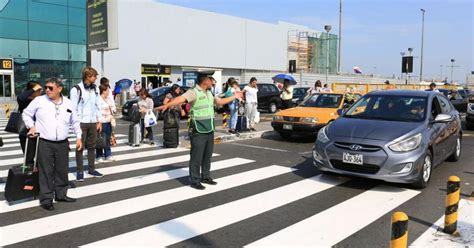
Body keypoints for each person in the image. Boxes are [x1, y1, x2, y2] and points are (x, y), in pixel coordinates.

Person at [156, 76, 243, 190]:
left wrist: (234, 96)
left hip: (209, 127)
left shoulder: (209, 92)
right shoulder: (193, 92)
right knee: (197, 156)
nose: (212, 82)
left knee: (207, 155)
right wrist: (167, 105)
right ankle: (195, 180)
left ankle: (206, 176)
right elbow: (181, 99)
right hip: (198, 128)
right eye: (210, 80)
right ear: (205, 82)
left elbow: (220, 101)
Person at [22, 77, 82, 211]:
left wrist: (79, 137)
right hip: (45, 142)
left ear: (59, 89)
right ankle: (46, 199)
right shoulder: (39, 101)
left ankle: (61, 194)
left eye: (51, 88)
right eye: (46, 87)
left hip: (62, 142)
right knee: (46, 171)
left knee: (62, 170)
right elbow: (26, 114)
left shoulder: (68, 103)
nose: (47, 90)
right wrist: (31, 126)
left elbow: (75, 121)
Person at [70, 66, 104, 181]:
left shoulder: (95, 89)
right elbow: (73, 109)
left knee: (92, 146)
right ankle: (79, 171)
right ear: (88, 76)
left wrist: (99, 120)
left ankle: (91, 169)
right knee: (80, 147)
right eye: (94, 76)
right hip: (81, 122)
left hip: (92, 121)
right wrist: (76, 124)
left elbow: (98, 105)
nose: (96, 78)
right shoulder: (76, 90)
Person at [17, 80, 42, 166]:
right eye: (38, 90)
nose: (40, 91)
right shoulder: (24, 100)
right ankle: (31, 178)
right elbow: (20, 97)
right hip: (27, 133)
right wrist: (34, 89)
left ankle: (41, 177)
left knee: (42, 159)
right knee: (29, 159)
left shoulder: (40, 100)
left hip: (40, 132)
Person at [96, 85, 116, 163]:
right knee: (101, 139)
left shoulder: (108, 99)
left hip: (108, 121)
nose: (108, 92)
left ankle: (108, 154)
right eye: (107, 90)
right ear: (103, 91)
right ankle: (99, 156)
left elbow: (112, 107)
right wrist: (98, 121)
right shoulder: (98, 99)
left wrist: (113, 110)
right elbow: (98, 111)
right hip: (102, 122)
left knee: (107, 138)